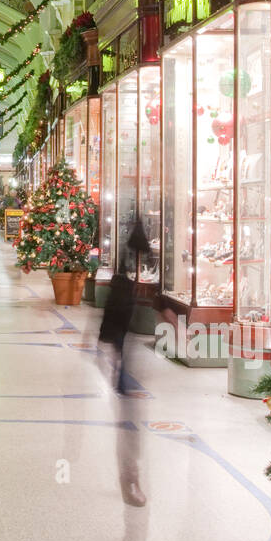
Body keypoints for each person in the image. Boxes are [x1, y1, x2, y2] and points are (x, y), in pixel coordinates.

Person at [98, 217, 152, 507]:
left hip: (128, 354)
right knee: (129, 418)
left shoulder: (126, 276)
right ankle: (130, 477)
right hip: (125, 356)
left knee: (131, 416)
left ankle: (131, 474)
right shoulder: (124, 279)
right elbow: (113, 316)